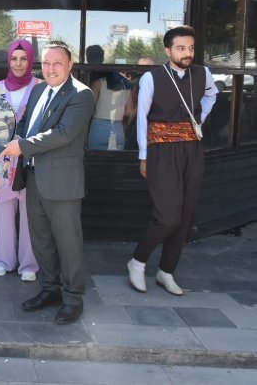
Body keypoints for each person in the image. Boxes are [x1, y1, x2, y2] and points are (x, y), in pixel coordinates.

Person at [1, 41, 94, 324]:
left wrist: (23, 146)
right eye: (46, 63)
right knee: (41, 240)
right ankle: (50, 289)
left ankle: (73, 298)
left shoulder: (81, 94)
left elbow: (63, 134)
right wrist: (6, 136)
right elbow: (26, 123)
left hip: (63, 183)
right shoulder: (39, 89)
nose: (51, 69)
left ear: (69, 65)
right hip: (34, 178)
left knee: (68, 243)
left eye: (57, 63)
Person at [127, 26, 217, 296]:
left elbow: (212, 95)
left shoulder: (203, 73)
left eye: (190, 48)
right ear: (168, 51)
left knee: (185, 214)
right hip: (161, 152)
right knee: (167, 216)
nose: (187, 53)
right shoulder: (152, 78)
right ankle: (138, 260)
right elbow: (141, 118)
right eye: (180, 48)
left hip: (192, 148)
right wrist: (144, 155)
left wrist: (199, 119)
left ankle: (166, 271)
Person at [0, 39, 40, 282]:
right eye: (14, 58)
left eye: (23, 58)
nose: (18, 63)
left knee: (29, 213)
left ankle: (29, 264)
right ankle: (3, 260)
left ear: (30, 60)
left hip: (30, 157)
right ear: (8, 61)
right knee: (4, 210)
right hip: (1, 159)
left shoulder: (40, 87)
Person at [86, 45, 132, 150]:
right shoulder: (126, 84)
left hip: (98, 127)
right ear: (103, 57)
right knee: (115, 164)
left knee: (95, 162)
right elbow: (129, 111)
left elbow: (89, 106)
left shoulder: (98, 83)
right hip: (118, 128)